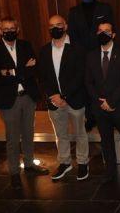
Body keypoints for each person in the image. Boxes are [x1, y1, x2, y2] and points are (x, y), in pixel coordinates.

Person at [0, 16, 49, 189]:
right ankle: (14, 173)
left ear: (17, 29)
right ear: (0, 31)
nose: (9, 32)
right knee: (12, 138)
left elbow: (34, 69)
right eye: (5, 29)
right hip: (8, 100)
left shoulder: (25, 45)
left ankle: (29, 165)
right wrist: (23, 69)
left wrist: (11, 72)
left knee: (29, 133)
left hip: (28, 97)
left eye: (12, 28)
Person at [37, 15, 90, 182]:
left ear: (65, 26)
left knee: (80, 133)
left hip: (74, 99)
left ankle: (82, 163)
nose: (55, 28)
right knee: (60, 134)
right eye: (52, 26)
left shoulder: (78, 48)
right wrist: (54, 96)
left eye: (59, 25)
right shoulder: (44, 50)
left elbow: (81, 75)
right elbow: (43, 77)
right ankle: (65, 162)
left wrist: (65, 96)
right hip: (54, 101)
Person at [84, 21, 120, 184]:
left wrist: (111, 101)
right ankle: (110, 171)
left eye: (107, 31)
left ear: (113, 34)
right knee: (105, 141)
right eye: (100, 30)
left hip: (119, 106)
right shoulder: (91, 55)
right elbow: (88, 82)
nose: (103, 33)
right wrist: (101, 102)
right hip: (100, 108)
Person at [67, 0, 115, 131]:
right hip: (82, 57)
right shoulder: (73, 12)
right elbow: (73, 36)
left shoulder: (105, 8)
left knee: (105, 85)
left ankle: (108, 117)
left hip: (101, 53)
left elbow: (108, 31)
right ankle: (91, 117)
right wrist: (83, 55)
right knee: (87, 87)